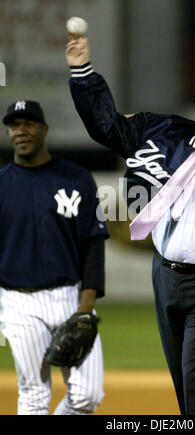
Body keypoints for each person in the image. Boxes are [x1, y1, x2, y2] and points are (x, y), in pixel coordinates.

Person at [65, 36, 195, 415]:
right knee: (185, 386)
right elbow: (106, 127)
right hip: (165, 276)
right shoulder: (164, 133)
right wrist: (83, 73)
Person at [0, 100, 109, 415]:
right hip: (19, 304)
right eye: (14, 125)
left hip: (69, 299)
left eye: (28, 123)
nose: (21, 131)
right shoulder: (3, 184)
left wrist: (86, 308)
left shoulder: (76, 178)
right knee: (34, 396)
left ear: (44, 129)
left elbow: (93, 244)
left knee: (88, 396)